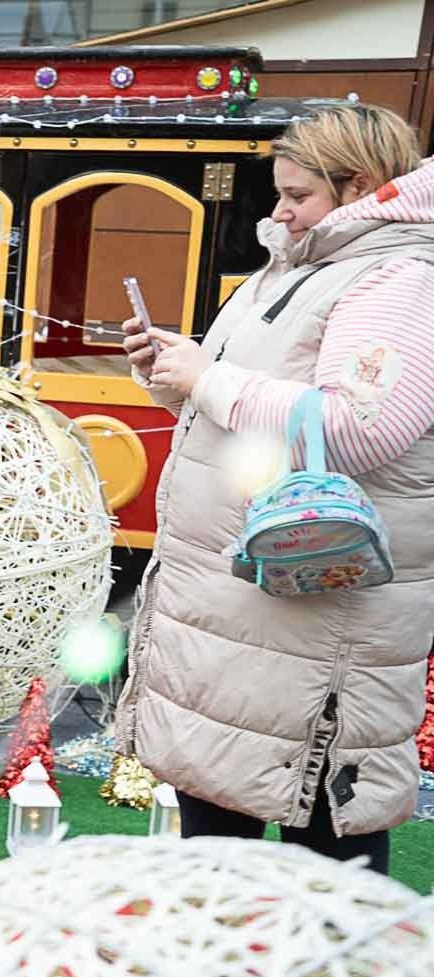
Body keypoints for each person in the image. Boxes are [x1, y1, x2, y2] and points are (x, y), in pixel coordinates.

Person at [115, 103, 434, 874]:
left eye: (297, 195)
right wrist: (175, 377)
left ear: (360, 185)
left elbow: (361, 427)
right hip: (249, 612)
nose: (280, 211)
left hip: (312, 620)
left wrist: (210, 378)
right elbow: (253, 406)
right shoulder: (306, 263)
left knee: (321, 848)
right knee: (220, 817)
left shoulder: (398, 276)